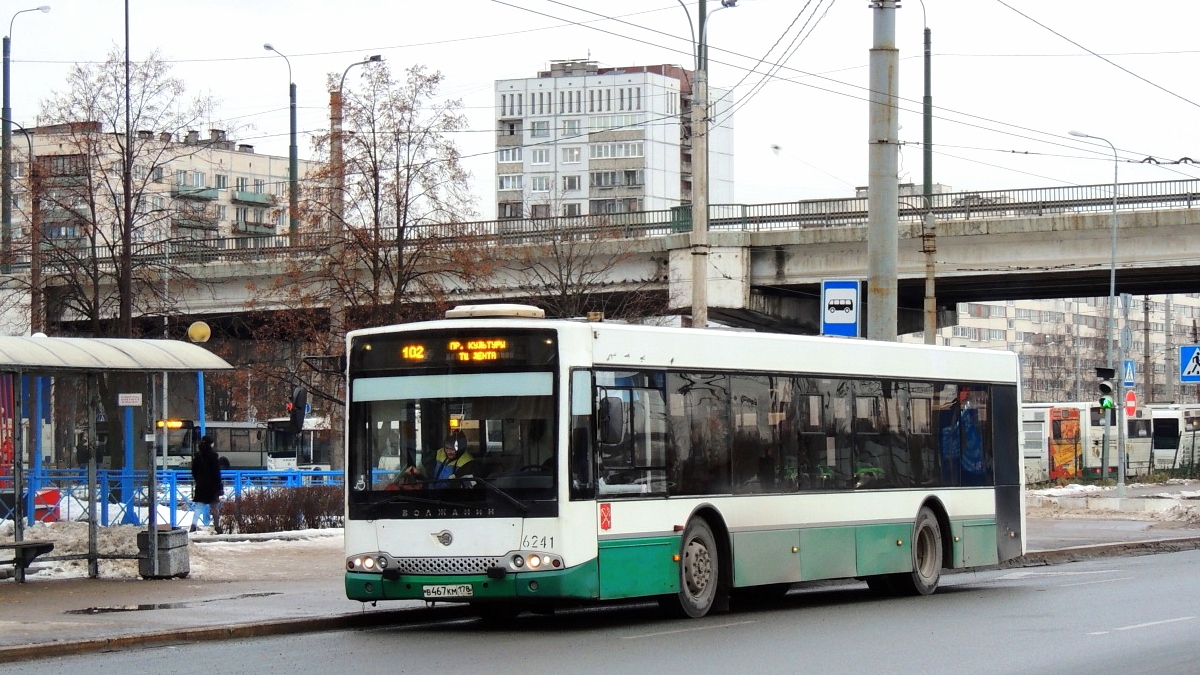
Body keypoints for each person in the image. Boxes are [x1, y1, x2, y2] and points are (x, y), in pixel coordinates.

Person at [407, 431, 478, 488]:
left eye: (452, 449)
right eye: (446, 448)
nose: (448, 452)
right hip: (431, 494)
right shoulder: (439, 453)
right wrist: (418, 473)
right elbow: (427, 474)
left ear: (461, 448)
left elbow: (460, 487)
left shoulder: (468, 462)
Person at [190, 435, 224, 533]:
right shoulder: (213, 456)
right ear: (211, 444)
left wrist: (199, 480)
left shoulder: (198, 455)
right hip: (212, 486)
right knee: (214, 507)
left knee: (199, 506)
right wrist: (219, 485)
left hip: (201, 485)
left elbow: (194, 471)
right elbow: (216, 472)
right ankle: (217, 526)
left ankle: (193, 525)